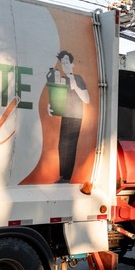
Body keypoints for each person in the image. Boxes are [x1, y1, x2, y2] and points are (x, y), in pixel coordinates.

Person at [45, 50, 89, 182]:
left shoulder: (78, 79)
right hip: (66, 114)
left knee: (70, 145)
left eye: (66, 61)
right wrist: (51, 107)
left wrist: (76, 87)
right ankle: (63, 176)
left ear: (72, 64)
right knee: (62, 145)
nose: (64, 64)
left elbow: (86, 99)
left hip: (75, 116)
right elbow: (57, 97)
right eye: (62, 62)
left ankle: (67, 176)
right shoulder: (62, 80)